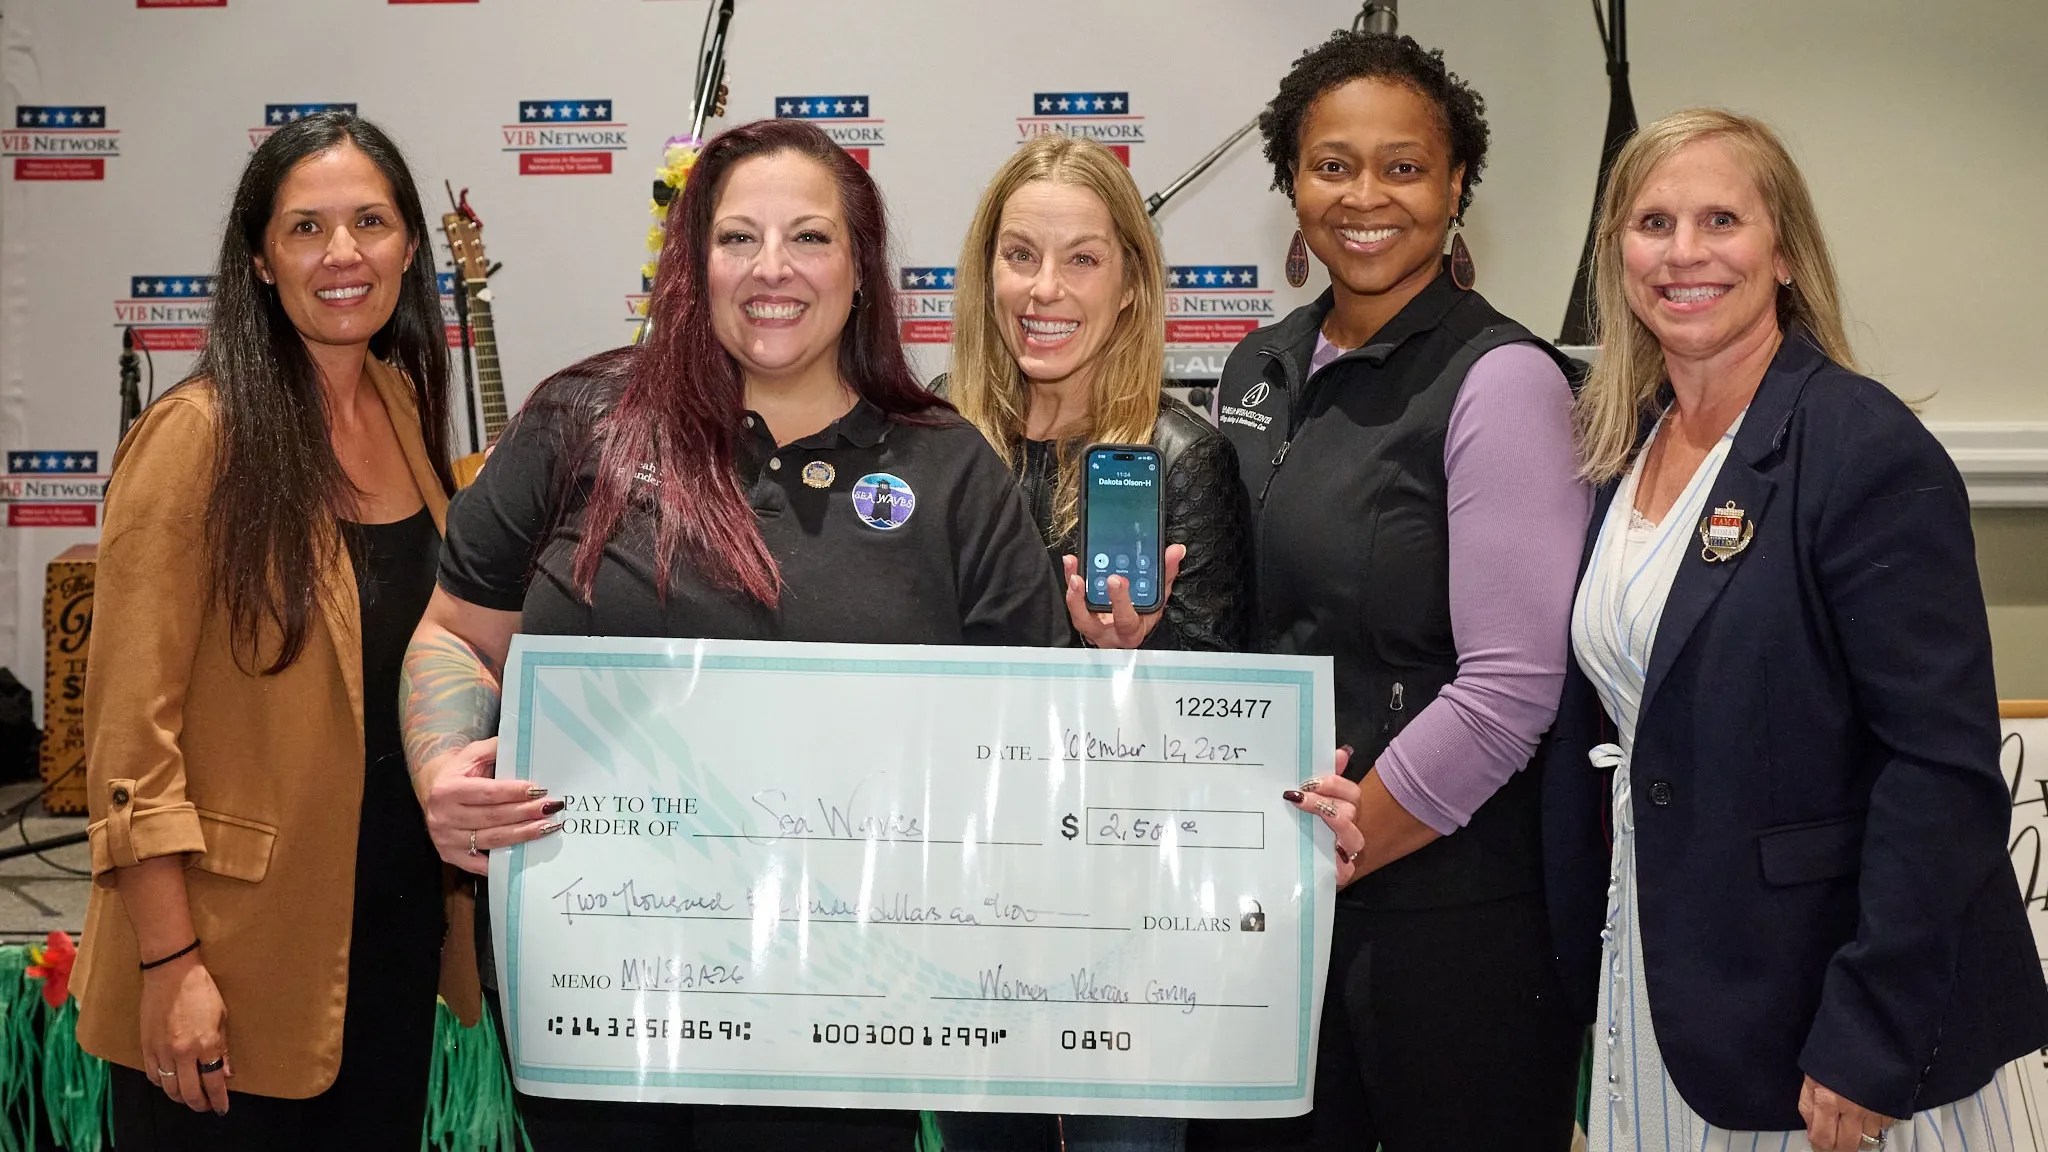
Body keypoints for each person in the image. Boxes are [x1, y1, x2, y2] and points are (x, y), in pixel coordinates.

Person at [399, 118, 1067, 1151]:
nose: (772, 269)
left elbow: (1033, 732)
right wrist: (441, 763)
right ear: (692, 263)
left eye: (810, 237)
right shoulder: (583, 421)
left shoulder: (948, 471)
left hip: (845, 1024)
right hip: (599, 1000)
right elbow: (456, 632)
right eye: (737, 238)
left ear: (860, 267)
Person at [1543, 107, 2048, 1152]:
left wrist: (1870, 1033)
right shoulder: (1624, 446)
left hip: (1832, 1019)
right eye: (1653, 224)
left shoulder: (1861, 447)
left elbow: (1938, 769)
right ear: (1617, 255)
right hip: (1669, 976)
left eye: (1720, 220)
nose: (1683, 253)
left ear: (1782, 253)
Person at [1182, 32, 1592, 1152]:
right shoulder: (1256, 367)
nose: (1365, 196)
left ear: (1456, 187)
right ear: (1291, 182)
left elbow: (1512, 688)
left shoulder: (1502, 380)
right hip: (1275, 911)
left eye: (1404, 167)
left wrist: (1332, 846)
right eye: (1332, 165)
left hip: (1449, 926)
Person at [71, 111, 476, 1149]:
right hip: (230, 963)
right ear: (258, 260)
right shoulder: (196, 437)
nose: (343, 253)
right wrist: (171, 964)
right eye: (306, 228)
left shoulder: (399, 405)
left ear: (410, 248)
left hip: (383, 943)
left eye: (370, 222)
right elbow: (128, 742)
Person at [947, 133, 1251, 656]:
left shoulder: (1184, 459)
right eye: (1020, 254)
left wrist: (1134, 647)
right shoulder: (942, 422)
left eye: (1082, 259)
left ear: (1130, 283)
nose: (1045, 288)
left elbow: (1211, 687)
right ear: (988, 270)